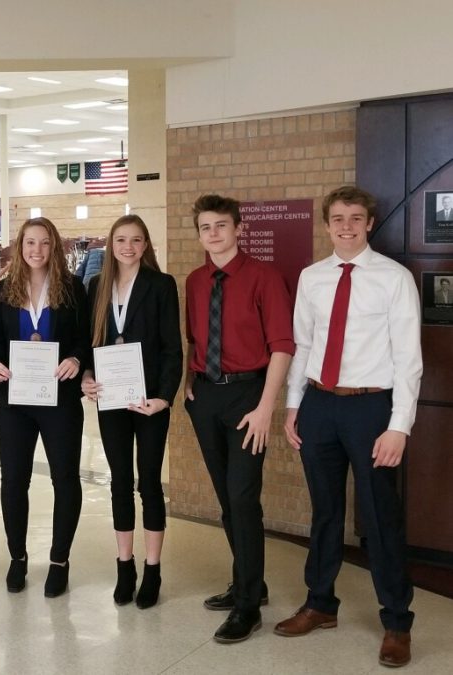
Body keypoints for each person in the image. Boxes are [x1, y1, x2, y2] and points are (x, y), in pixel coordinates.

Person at [278, 186, 422, 668]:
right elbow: (302, 343)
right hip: (319, 404)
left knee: (381, 517)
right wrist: (293, 405)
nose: (346, 226)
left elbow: (408, 359)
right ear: (326, 224)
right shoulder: (312, 277)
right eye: (337, 218)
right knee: (324, 511)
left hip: (370, 409)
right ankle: (320, 603)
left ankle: (397, 622)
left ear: (369, 222)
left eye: (355, 218)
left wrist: (399, 426)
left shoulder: (394, 278)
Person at [184, 194, 294, 643]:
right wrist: (189, 383)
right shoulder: (194, 280)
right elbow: (194, 334)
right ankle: (252, 582)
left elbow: (283, 346)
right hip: (206, 396)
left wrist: (267, 407)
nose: (213, 233)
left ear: (239, 228)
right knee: (227, 501)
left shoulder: (265, 277)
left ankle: (248, 606)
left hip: (250, 395)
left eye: (222, 226)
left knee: (243, 498)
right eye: (206, 227)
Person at [80, 215, 182, 608]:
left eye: (136, 240)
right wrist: (86, 375)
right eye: (121, 239)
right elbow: (91, 343)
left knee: (150, 484)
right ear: (111, 244)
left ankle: (153, 568)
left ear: (146, 244)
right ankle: (126, 566)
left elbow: (172, 347)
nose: (128, 246)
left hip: (149, 401)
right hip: (111, 399)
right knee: (119, 481)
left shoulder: (161, 285)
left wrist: (165, 398)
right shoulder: (96, 286)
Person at [0, 217, 89, 598]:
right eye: (30, 243)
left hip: (59, 399)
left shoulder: (73, 288)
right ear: (19, 246)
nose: (36, 251)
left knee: (65, 479)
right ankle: (17, 557)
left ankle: (60, 560)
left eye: (44, 243)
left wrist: (77, 360)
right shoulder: (3, 291)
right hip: (14, 400)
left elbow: (84, 338)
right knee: (14, 480)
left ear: (55, 247)